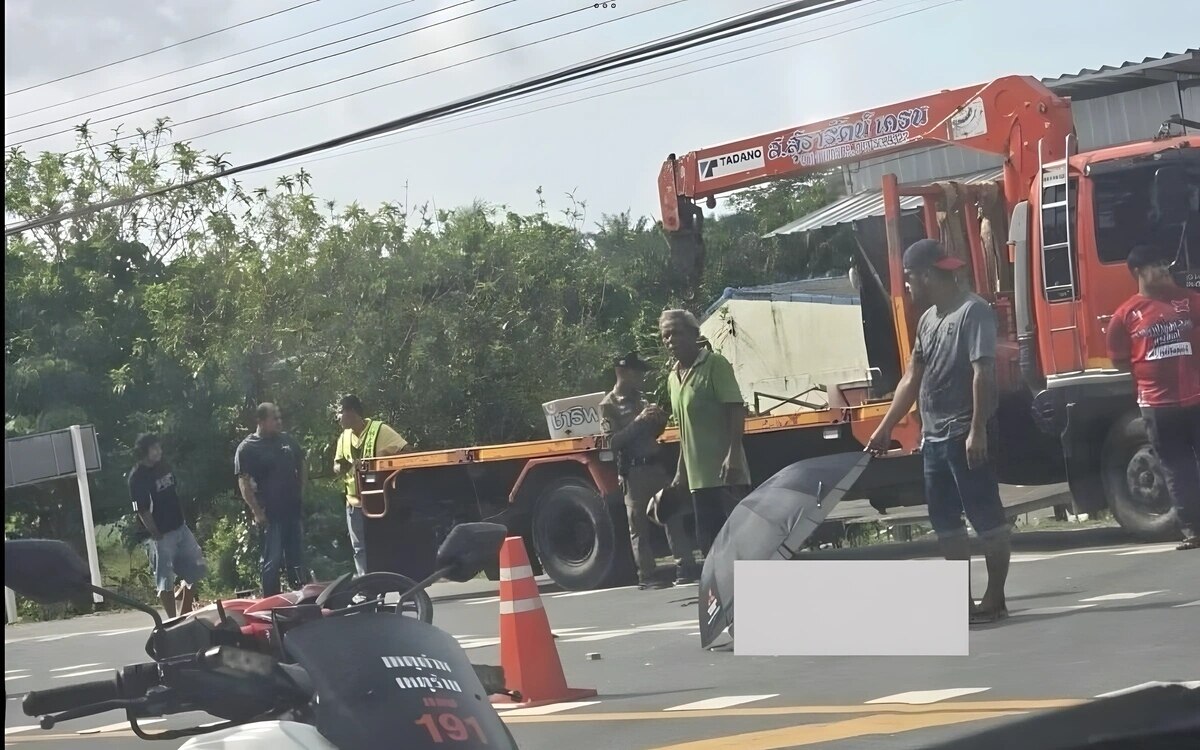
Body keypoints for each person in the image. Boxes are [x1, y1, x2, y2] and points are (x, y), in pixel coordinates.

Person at [867, 239, 1011, 624]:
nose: (908, 287)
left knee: (986, 518)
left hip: (966, 431)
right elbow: (912, 377)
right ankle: (958, 603)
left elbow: (983, 373)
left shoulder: (973, 311)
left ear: (926, 275)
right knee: (946, 523)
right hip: (934, 438)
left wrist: (977, 430)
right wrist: (886, 427)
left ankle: (994, 597)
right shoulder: (929, 320)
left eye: (910, 279)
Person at [1105, 244, 1200, 551]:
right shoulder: (1125, 316)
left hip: (1196, 396)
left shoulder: (1190, 301)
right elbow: (1120, 359)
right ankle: (1192, 530)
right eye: (1155, 266)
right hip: (1157, 406)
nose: (1163, 270)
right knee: (1175, 467)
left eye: (1164, 264)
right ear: (1138, 273)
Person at [600, 352, 700, 589]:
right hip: (633, 473)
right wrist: (640, 422)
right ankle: (647, 574)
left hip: (655, 465)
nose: (641, 378)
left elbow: (653, 434)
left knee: (671, 514)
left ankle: (684, 565)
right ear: (622, 372)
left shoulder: (641, 399)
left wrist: (658, 420)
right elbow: (612, 442)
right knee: (638, 525)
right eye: (637, 373)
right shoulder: (608, 406)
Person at [660, 309, 750, 556]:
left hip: (725, 475)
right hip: (698, 481)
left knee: (736, 545)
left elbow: (735, 408)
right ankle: (725, 595)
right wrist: (681, 471)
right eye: (665, 336)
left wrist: (733, 455)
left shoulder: (714, 364)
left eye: (676, 333)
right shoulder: (672, 378)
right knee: (709, 545)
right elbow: (684, 431)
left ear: (694, 333)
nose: (670, 340)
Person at [128, 433, 207, 618]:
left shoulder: (164, 466)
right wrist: (155, 533)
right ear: (144, 452)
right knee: (165, 580)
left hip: (179, 526)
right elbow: (141, 510)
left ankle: (185, 608)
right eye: (154, 448)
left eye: (159, 447)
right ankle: (173, 619)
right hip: (158, 534)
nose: (158, 451)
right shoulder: (136, 478)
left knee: (196, 567)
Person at [235, 402, 308, 597]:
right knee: (272, 561)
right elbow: (244, 482)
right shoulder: (247, 448)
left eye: (279, 417)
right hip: (270, 515)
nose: (279, 421)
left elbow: (301, 462)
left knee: (297, 558)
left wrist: (300, 490)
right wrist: (257, 512)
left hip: (292, 510)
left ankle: (302, 597)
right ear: (260, 421)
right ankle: (271, 603)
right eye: (274, 418)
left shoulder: (286, 440)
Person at [333, 394, 411, 575]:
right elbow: (336, 465)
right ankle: (367, 587)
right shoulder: (344, 438)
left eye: (340, 412)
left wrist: (383, 465)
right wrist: (341, 467)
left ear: (351, 412)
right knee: (359, 548)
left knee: (384, 545)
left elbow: (406, 452)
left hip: (380, 501)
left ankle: (396, 583)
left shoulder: (379, 430)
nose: (337, 418)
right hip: (354, 503)